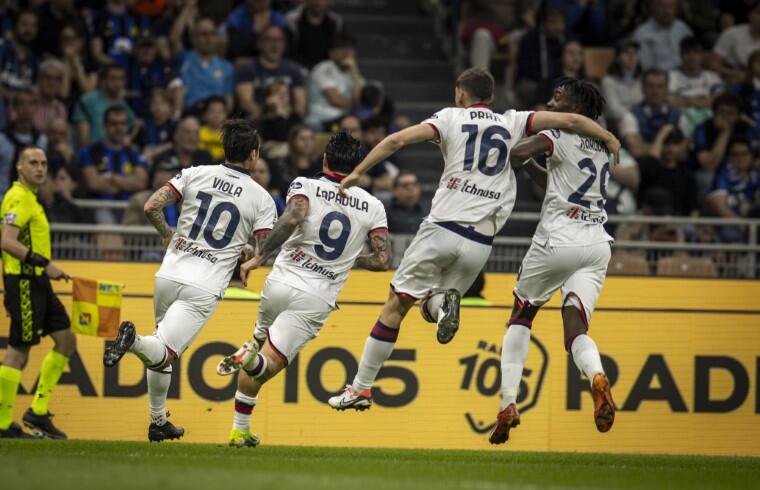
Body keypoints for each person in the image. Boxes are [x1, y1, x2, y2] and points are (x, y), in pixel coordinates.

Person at [327, 68, 620, 411]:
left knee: (396, 305)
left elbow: (396, 141)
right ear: (492, 98)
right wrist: (609, 137)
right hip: (482, 241)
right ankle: (442, 306)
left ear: (459, 94)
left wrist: (359, 171)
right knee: (430, 300)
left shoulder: (450, 117)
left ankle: (361, 388)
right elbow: (571, 120)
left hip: (444, 227)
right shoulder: (515, 120)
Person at [102, 119, 278, 442]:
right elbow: (265, 248)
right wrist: (246, 256)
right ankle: (131, 340)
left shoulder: (195, 173)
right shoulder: (262, 198)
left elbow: (151, 205)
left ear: (225, 149)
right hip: (203, 285)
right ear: (253, 155)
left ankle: (157, 422)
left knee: (161, 347)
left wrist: (167, 234)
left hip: (168, 274)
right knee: (163, 350)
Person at [215, 132, 390, 447]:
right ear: (359, 168)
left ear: (324, 160)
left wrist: (259, 256)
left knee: (261, 348)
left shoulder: (305, 185)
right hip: (315, 298)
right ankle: (250, 356)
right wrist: (350, 259)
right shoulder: (373, 206)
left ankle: (240, 428)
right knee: (266, 366)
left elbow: (291, 219)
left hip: (279, 284)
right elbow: (382, 260)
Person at [490, 77, 615, 445]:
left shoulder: (559, 135)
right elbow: (557, 183)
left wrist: (519, 144)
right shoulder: (605, 144)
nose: (549, 103)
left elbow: (516, 151)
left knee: (522, 314)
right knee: (576, 328)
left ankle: (508, 403)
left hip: (558, 239)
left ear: (575, 110)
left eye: (557, 99)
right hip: (596, 244)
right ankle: (596, 375)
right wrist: (530, 163)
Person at [0, 146, 75, 439]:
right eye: (33, 162)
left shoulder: (30, 198)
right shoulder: (18, 197)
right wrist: (46, 264)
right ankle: (3, 423)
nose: (40, 168)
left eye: (43, 163)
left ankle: (38, 412)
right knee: (18, 352)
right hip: (24, 282)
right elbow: (6, 241)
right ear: (19, 166)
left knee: (66, 340)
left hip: (38, 283)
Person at [78, 106, 149, 222]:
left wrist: (111, 177)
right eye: (114, 124)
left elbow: (141, 183)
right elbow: (94, 183)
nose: (119, 128)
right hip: (100, 208)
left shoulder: (133, 153)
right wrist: (128, 183)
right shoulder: (90, 151)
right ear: (105, 126)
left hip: (129, 209)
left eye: (122, 124)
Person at [234, 25, 308, 119]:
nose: (275, 45)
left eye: (279, 40)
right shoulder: (247, 68)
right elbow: (246, 103)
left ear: (284, 44)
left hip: (286, 119)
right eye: (270, 40)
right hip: (258, 120)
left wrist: (286, 117)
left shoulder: (294, 70)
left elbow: (300, 105)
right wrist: (270, 116)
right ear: (260, 43)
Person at [619, 69, 689, 159]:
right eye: (650, 86)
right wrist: (671, 148)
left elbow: (684, 151)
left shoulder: (678, 115)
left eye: (660, 86)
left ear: (666, 88)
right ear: (643, 88)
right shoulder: (630, 115)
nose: (655, 91)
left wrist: (647, 147)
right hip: (644, 168)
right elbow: (637, 150)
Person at [306, 33, 364, 130]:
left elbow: (358, 98)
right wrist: (355, 105)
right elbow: (336, 101)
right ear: (331, 53)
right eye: (341, 47)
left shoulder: (354, 73)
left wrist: (354, 70)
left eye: (349, 48)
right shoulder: (323, 68)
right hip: (321, 119)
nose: (346, 52)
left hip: (343, 118)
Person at [72, 63, 135, 147]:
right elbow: (83, 141)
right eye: (113, 79)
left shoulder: (126, 108)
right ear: (103, 80)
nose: (117, 83)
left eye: (121, 79)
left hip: (117, 156)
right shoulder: (87, 101)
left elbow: (127, 138)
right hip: (91, 155)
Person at [0, 89, 48, 200]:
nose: (26, 108)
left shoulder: (41, 140)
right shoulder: (2, 139)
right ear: (14, 108)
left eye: (30, 104)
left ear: (36, 108)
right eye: (22, 103)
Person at [668, 36, 723, 132]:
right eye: (687, 52)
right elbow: (670, 101)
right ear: (680, 55)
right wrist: (701, 100)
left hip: (709, 120)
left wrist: (685, 101)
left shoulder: (713, 77)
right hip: (680, 120)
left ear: (703, 55)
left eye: (696, 52)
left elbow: (717, 102)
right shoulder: (671, 76)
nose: (691, 56)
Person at [178, 18, 234, 111]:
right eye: (204, 34)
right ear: (194, 38)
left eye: (212, 34)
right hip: (191, 114)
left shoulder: (227, 67)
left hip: (215, 117)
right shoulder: (183, 59)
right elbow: (175, 37)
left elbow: (229, 100)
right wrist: (188, 8)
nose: (209, 38)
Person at [632, 0, 693, 71]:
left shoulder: (683, 28)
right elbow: (647, 68)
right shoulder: (642, 34)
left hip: (686, 76)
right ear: (653, 8)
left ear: (676, 9)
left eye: (670, 6)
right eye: (662, 6)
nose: (666, 11)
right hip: (659, 78)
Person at [710, 3, 760, 83]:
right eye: (759, 13)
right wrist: (734, 73)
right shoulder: (732, 33)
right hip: (731, 80)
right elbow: (712, 63)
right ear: (750, 15)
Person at [285, 0, 344, 69]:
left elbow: (340, 49)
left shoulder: (335, 22)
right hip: (298, 68)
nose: (318, 3)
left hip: (327, 70)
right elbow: (289, 52)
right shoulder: (292, 20)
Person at [601, 39, 643, 131]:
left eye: (635, 53)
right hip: (618, 123)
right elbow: (613, 111)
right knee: (628, 120)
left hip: (642, 120)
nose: (631, 56)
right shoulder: (608, 81)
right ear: (617, 58)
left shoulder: (643, 79)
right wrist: (638, 112)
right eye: (626, 52)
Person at [0, 10, 39, 99]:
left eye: (33, 26)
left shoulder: (34, 60)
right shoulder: (2, 49)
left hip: (21, 109)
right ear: (14, 26)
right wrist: (13, 97)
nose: (28, 30)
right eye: (24, 24)